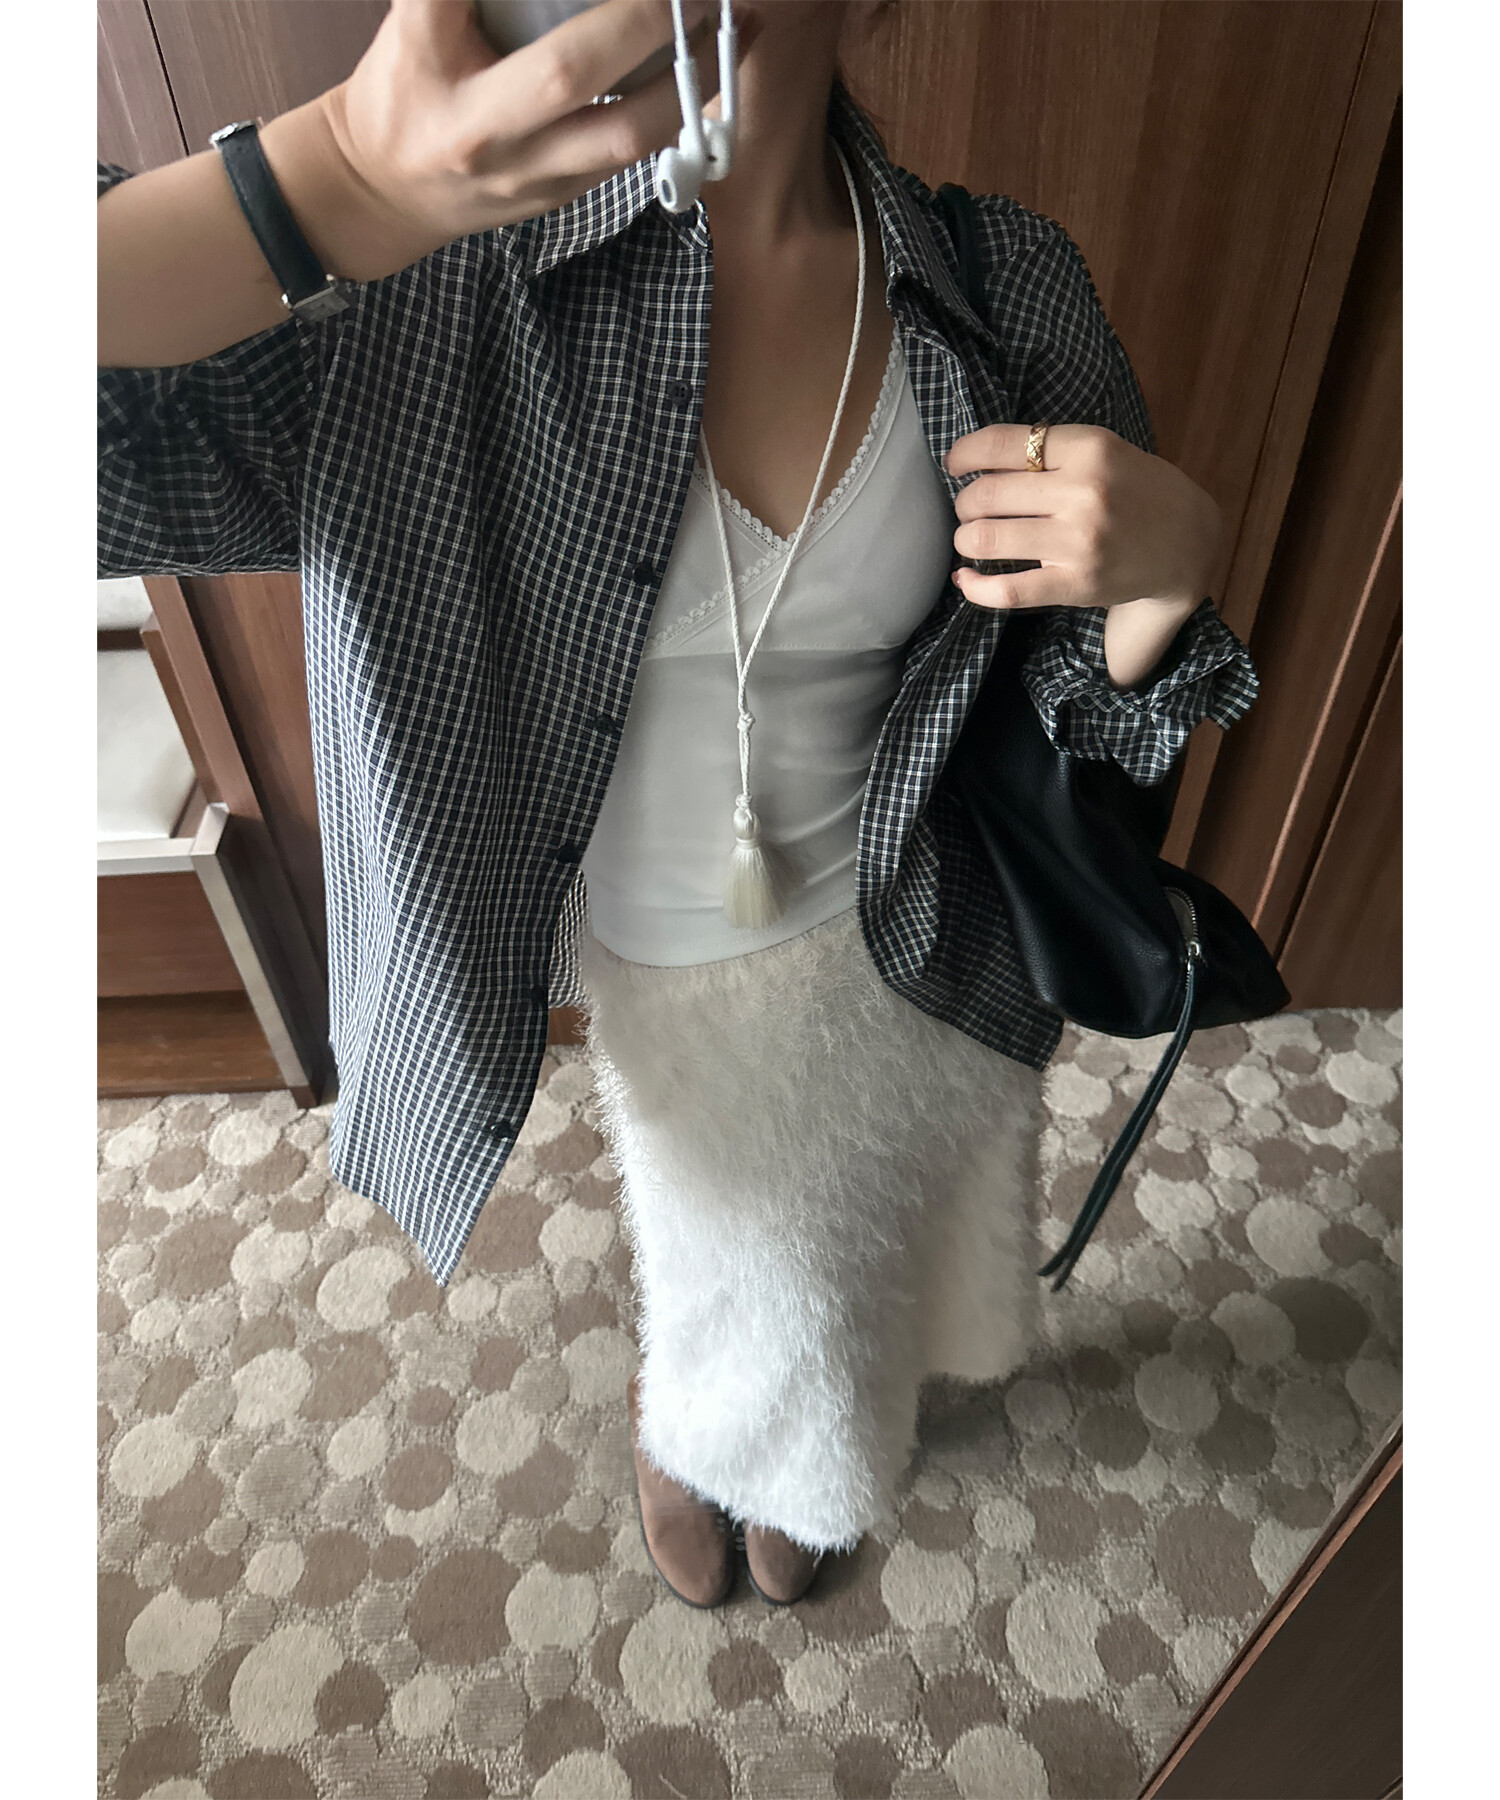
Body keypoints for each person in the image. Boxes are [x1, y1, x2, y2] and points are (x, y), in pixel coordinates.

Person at [98, 0, 1259, 1610]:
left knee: (882, 1237)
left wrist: (1167, 580)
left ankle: (804, 1411)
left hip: (924, 932)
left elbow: (1090, 715)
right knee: (725, 1237)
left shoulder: (997, 281)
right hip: (658, 970)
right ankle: (709, 1410)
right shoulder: (425, 303)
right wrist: (333, 180)